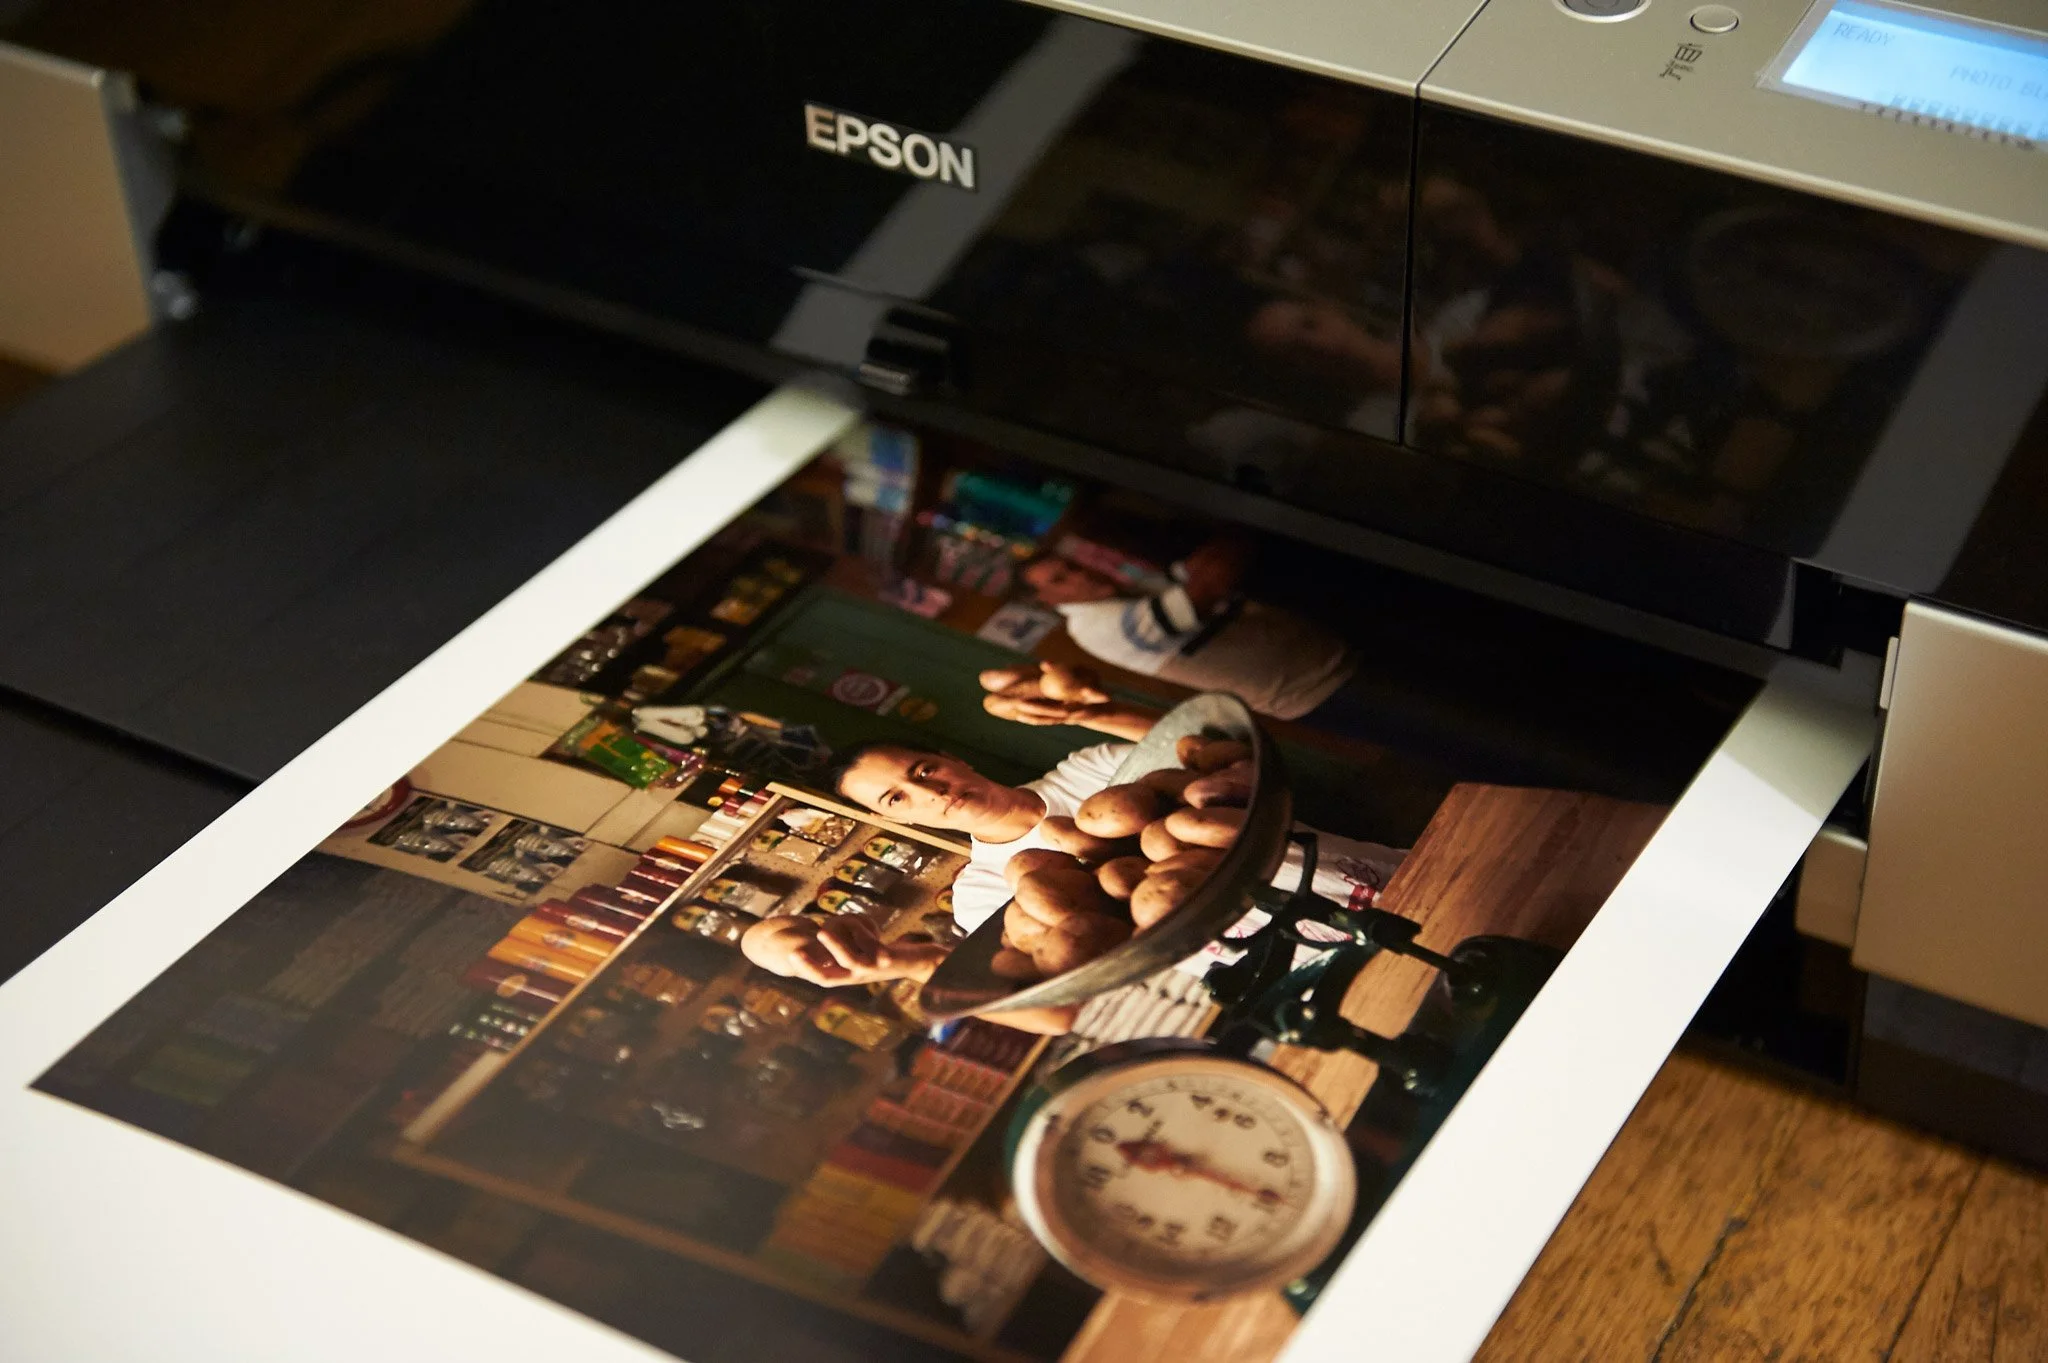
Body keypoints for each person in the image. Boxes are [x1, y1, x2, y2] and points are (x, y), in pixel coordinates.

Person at [1017, 534, 1355, 722]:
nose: (1081, 576)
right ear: (1047, 600)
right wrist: (1254, 520)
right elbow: (1204, 590)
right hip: (1313, 691)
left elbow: (1194, 571)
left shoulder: (1124, 593)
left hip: (1331, 656)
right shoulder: (1094, 625)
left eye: (1072, 566)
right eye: (1061, 579)